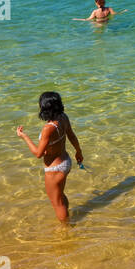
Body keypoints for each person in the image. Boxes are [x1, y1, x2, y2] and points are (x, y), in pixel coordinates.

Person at [16, 91, 83, 222]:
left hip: (54, 169)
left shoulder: (48, 128)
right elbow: (72, 136)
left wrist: (24, 137)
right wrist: (78, 152)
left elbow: (38, 154)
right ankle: (67, 220)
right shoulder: (63, 117)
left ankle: (65, 230)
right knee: (60, 197)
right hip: (65, 162)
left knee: (56, 202)